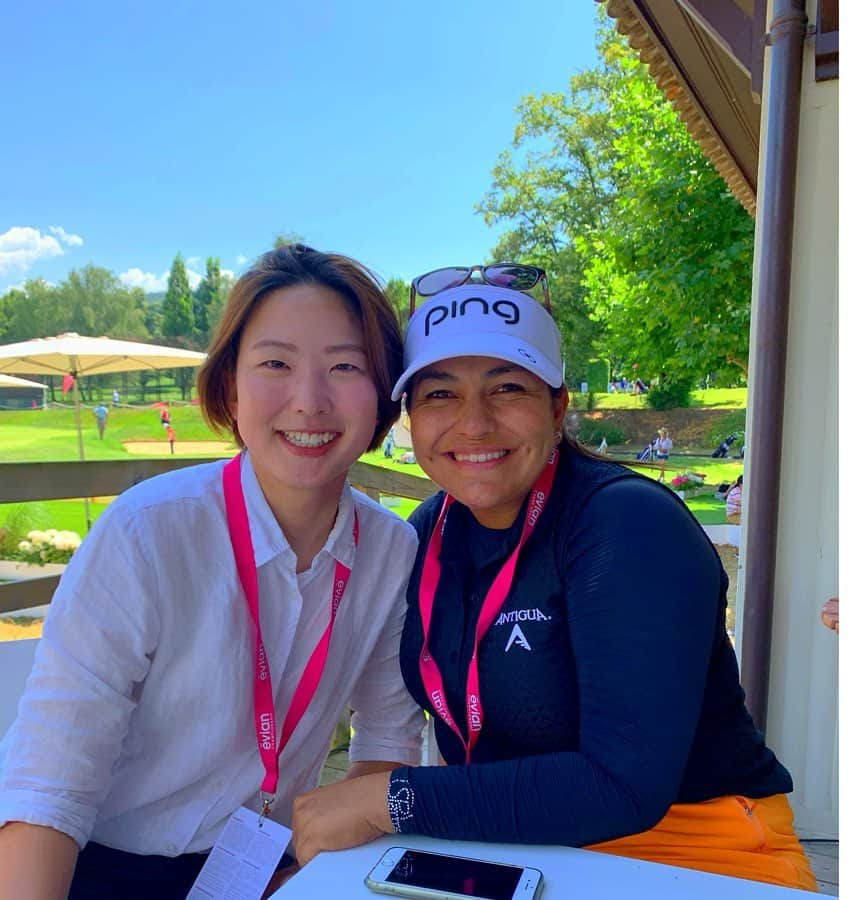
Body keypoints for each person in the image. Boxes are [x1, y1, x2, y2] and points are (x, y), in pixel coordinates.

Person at [290, 269, 817, 892]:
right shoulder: (430, 530)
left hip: (700, 851)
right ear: (410, 418)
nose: (475, 423)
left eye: (507, 388)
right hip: (516, 848)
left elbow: (624, 785)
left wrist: (389, 798)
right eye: (439, 395)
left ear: (557, 406)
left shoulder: (625, 522)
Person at [0, 244, 426, 900]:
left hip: (274, 868)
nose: (309, 401)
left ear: (383, 395)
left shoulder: (392, 552)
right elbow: (50, 785)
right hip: (102, 866)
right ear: (230, 384)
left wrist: (312, 865)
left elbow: (387, 734)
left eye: (345, 366)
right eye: (275, 363)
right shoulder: (148, 534)